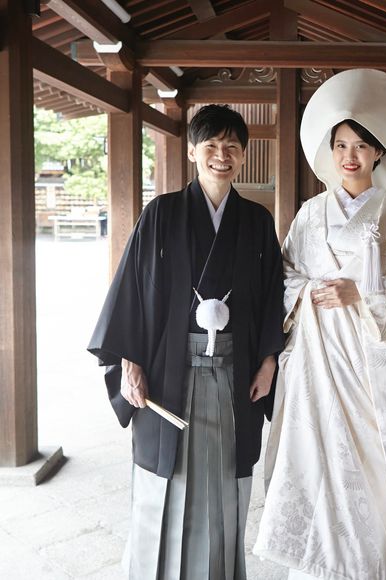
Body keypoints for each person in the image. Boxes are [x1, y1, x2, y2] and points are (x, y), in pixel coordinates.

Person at [253, 69, 386, 579]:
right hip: (318, 360)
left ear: (378, 152)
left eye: (360, 145)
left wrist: (362, 294)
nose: (349, 156)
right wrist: (308, 294)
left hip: (368, 366)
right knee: (316, 464)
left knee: (367, 477)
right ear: (330, 151)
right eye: (340, 145)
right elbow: (286, 273)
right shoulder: (310, 213)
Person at [88, 104, 285, 580]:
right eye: (211, 145)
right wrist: (130, 362)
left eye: (232, 146)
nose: (222, 155)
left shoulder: (257, 221)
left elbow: (272, 295)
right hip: (167, 372)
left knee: (223, 479)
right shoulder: (161, 213)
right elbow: (133, 290)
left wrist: (268, 362)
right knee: (168, 478)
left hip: (236, 372)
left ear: (244, 155)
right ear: (193, 151)